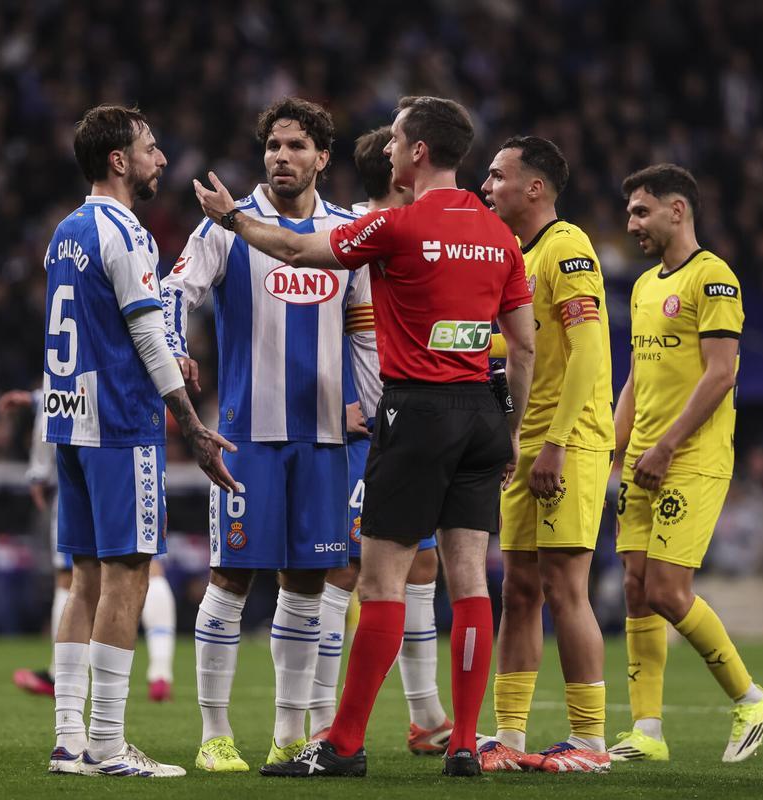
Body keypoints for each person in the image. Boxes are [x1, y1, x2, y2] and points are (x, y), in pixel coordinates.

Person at [194, 94, 536, 779]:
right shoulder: (501, 236)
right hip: (481, 414)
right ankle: (464, 741)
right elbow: (524, 348)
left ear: (418, 152)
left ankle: (343, 744)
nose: (384, 151)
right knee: (469, 580)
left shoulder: (396, 226)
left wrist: (232, 217)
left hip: (415, 414)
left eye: (395, 141)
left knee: (379, 584)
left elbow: (294, 247)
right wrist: (512, 431)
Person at [162, 98, 375, 772]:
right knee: (230, 577)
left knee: (310, 582)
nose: (283, 156)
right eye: (274, 145)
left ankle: (289, 735)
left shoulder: (348, 234)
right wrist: (175, 348)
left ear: (323, 157)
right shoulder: (225, 226)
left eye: (296, 145)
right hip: (246, 437)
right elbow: (176, 292)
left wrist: (370, 405)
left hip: (323, 441)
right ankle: (215, 733)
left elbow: (366, 331)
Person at [43, 104, 236, 780]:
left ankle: (69, 741)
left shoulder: (64, 232)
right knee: (127, 576)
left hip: (69, 421)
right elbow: (149, 334)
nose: (160, 160)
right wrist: (191, 423)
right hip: (122, 427)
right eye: (151, 148)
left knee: (85, 579)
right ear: (119, 160)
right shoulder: (127, 231)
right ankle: (107, 744)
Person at [609, 163, 763, 764]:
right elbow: (636, 375)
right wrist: (615, 442)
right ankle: (647, 733)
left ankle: (751, 698)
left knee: (667, 590)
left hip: (690, 457)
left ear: (677, 210)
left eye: (641, 211)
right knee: (634, 588)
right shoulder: (645, 284)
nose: (631, 224)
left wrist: (667, 445)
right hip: (642, 457)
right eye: (629, 213)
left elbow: (722, 373)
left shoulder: (715, 277)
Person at [307, 126, 454, 755]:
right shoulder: (359, 237)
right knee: (344, 573)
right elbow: (314, 320)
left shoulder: (413, 236)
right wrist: (335, 402)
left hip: (408, 429)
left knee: (422, 565)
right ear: (397, 173)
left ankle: (425, 716)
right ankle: (319, 714)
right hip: (358, 433)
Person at [476, 136, 614, 774]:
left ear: (535, 188)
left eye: (498, 175)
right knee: (521, 590)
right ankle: (508, 734)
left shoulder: (568, 247)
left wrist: (556, 442)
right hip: (525, 438)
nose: (486, 185)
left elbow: (587, 350)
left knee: (565, 586)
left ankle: (590, 743)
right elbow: (520, 347)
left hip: (571, 435)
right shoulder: (512, 254)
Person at [0, 389, 178, 702]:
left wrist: (39, 468)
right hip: (136, 446)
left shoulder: (76, 340)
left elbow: (62, 391)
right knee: (142, 566)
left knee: (74, 578)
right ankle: (160, 670)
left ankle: (62, 678)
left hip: (84, 450)